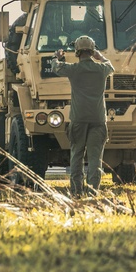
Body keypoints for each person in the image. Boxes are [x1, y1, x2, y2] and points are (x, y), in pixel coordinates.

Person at [52, 34, 113, 198]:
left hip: (78, 119)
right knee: (95, 159)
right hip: (98, 119)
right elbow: (110, 66)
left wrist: (56, 57)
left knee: (76, 156)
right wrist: (100, 57)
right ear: (93, 51)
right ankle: (93, 193)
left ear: (77, 52)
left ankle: (76, 192)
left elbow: (56, 68)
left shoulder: (74, 69)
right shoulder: (101, 69)